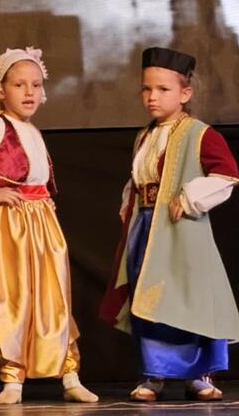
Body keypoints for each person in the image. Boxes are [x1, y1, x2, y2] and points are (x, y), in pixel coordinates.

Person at [0, 47, 98, 405]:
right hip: (8, 222)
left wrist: (42, 200)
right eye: (19, 85)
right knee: (10, 294)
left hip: (40, 219)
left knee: (53, 295)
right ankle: (12, 376)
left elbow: (36, 177)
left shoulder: (32, 130)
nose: (29, 92)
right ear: (1, 90)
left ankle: (69, 372)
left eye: (36, 85)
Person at [100, 47, 239, 402]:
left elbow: (226, 174)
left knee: (187, 298)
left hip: (182, 231)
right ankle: (155, 374)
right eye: (147, 89)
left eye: (162, 89)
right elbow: (138, 178)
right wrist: (129, 208)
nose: (152, 97)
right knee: (149, 298)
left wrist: (190, 196)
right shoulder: (143, 136)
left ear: (185, 93)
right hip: (145, 227)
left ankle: (199, 374)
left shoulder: (199, 133)